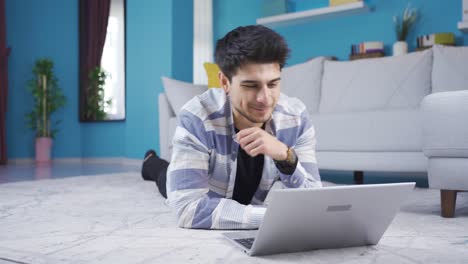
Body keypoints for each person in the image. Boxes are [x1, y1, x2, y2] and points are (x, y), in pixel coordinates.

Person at [142, 25, 322, 230]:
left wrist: (285, 156)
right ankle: (151, 162)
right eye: (251, 86)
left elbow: (313, 201)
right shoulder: (197, 118)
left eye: (272, 84)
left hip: (238, 198)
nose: (264, 98)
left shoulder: (295, 117)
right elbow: (187, 208)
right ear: (225, 82)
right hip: (206, 185)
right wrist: (273, 217)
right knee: (165, 177)